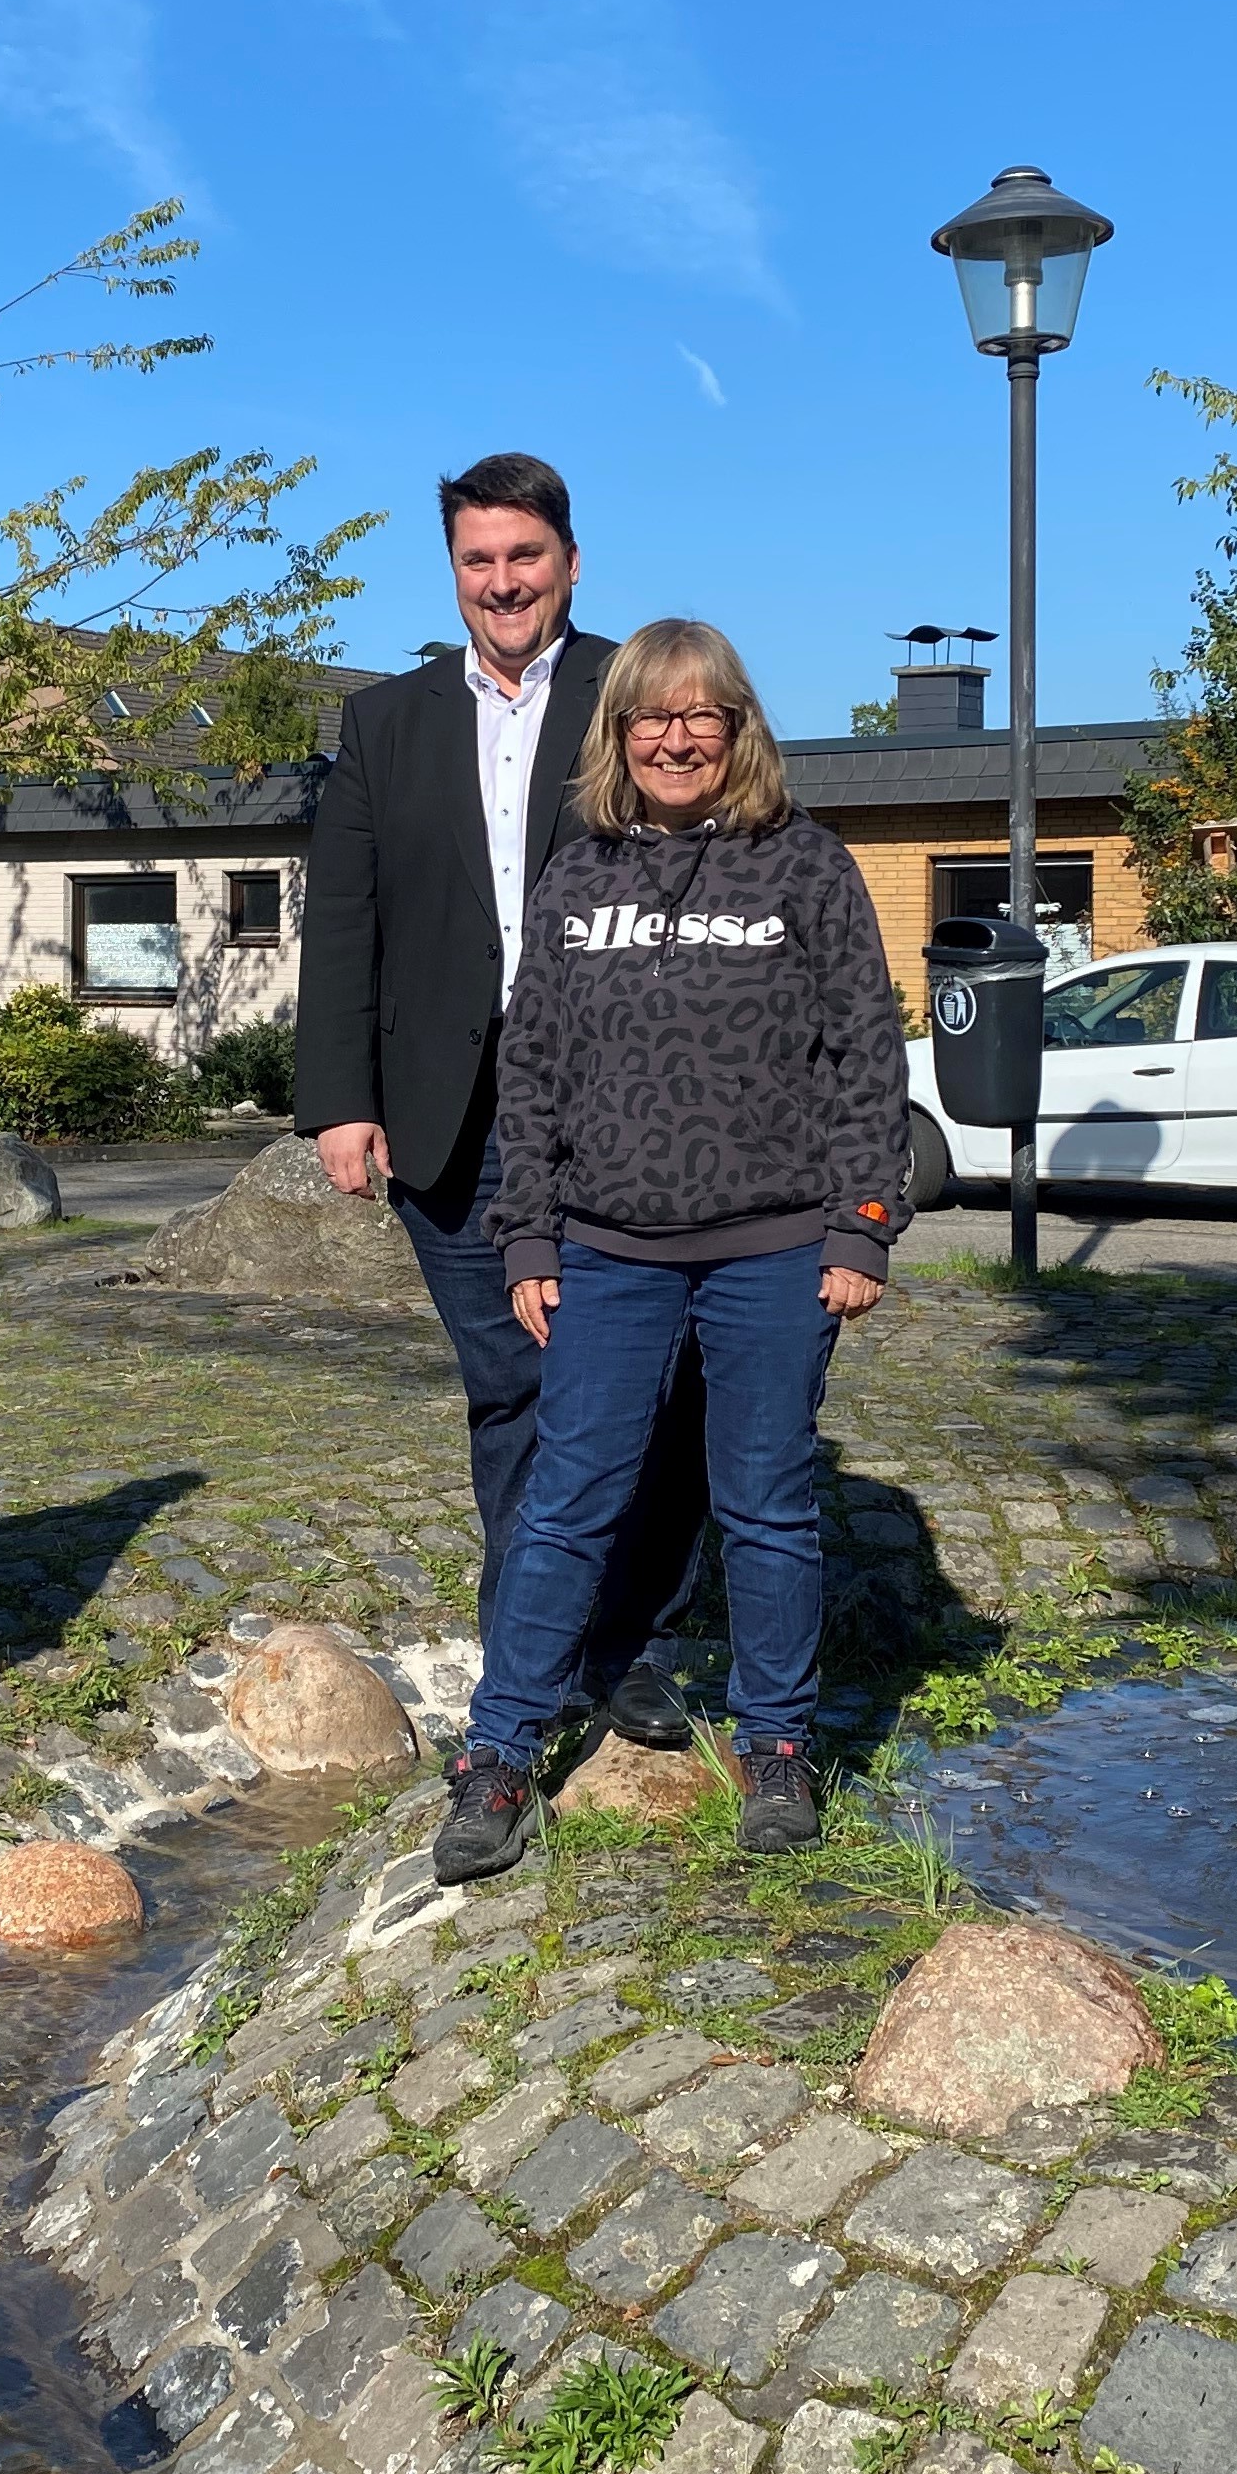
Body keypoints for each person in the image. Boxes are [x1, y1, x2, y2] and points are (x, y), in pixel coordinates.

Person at [432, 618, 909, 1880]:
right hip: (607, 1252)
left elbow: (868, 1051)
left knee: (766, 1504)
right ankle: (498, 1754)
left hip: (774, 1249)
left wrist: (863, 1224)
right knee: (568, 1502)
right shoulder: (578, 877)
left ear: (739, 730)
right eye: (653, 716)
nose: (677, 737)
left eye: (703, 716)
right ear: (620, 734)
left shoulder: (806, 869)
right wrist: (526, 1235)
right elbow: (530, 1070)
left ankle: (781, 1748)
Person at [296, 452, 703, 1738]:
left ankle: (630, 1644)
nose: (503, 581)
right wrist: (339, 1099)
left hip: (623, 1109)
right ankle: (532, 1646)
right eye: (479, 560)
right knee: (513, 1388)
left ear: (570, 564)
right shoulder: (387, 722)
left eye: (525, 556)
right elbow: (346, 919)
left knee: (651, 1382)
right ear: (455, 574)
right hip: (450, 1114)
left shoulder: (636, 702)